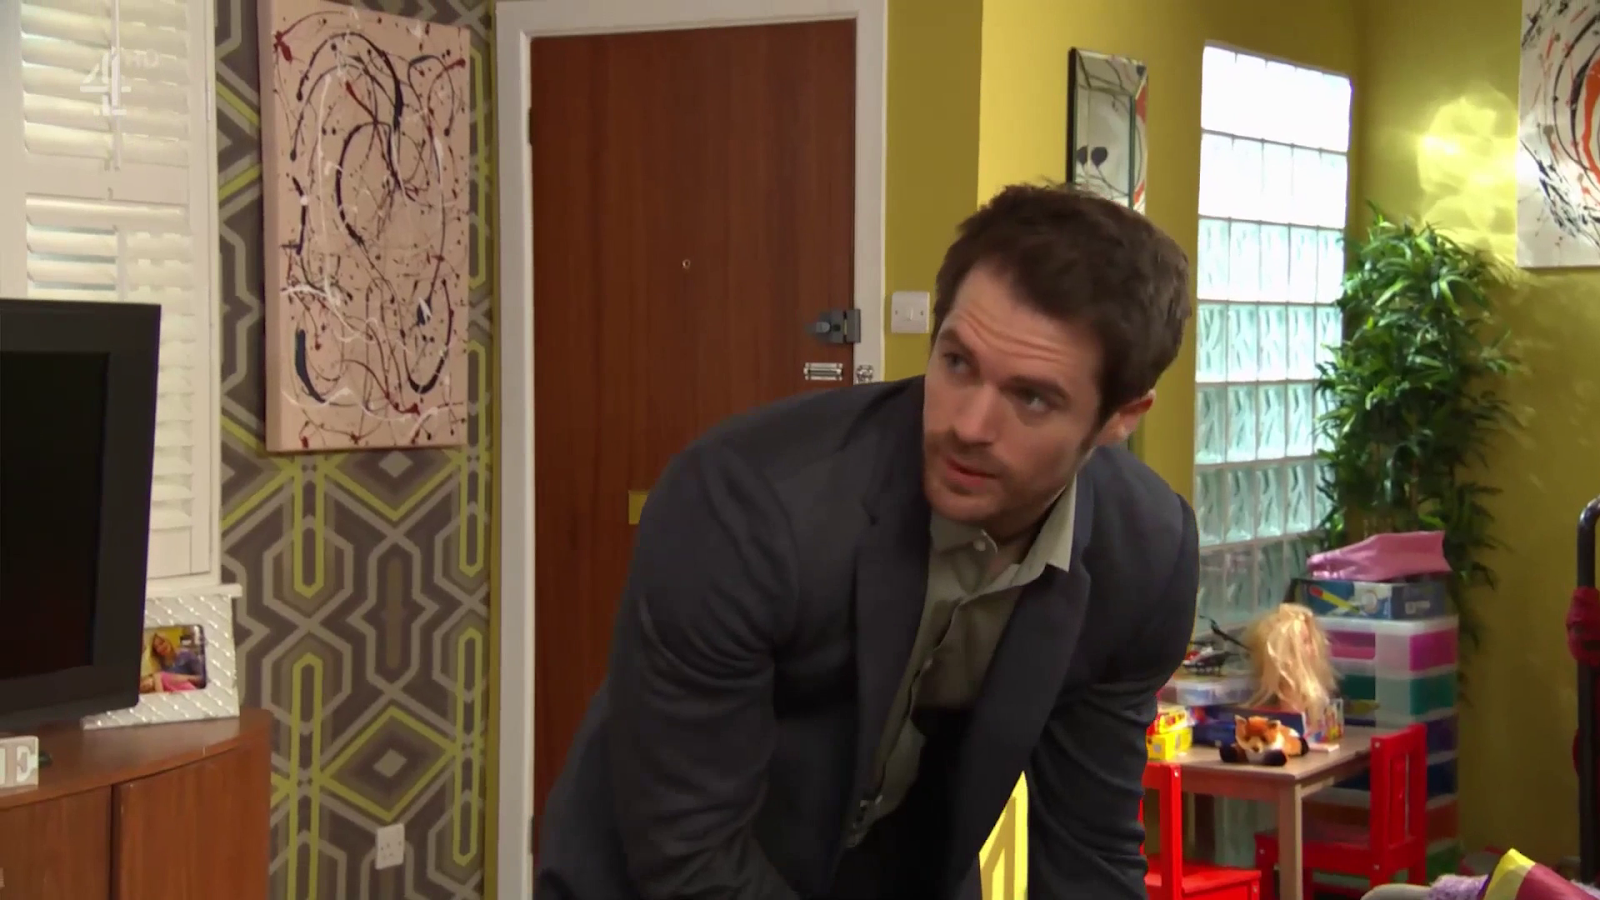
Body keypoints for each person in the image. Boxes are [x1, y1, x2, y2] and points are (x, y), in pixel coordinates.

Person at [534, 182, 1197, 900]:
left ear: (1121, 416)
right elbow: (688, 852)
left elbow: (1089, 853)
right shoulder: (745, 505)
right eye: (957, 363)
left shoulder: (1144, 556)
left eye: (1031, 397)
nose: (969, 426)